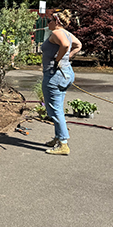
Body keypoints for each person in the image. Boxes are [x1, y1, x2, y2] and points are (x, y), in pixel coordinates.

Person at [40, 10, 83, 156]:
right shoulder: (67, 33)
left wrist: (58, 59)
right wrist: (67, 58)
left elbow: (65, 45)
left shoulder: (57, 33)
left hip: (54, 75)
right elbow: (78, 45)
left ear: (56, 21)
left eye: (49, 20)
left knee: (55, 110)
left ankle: (63, 143)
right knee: (57, 107)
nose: (48, 23)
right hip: (66, 74)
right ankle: (58, 137)